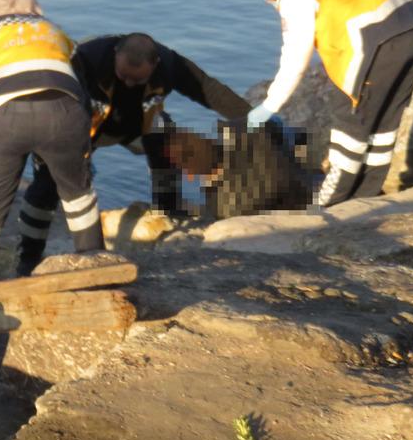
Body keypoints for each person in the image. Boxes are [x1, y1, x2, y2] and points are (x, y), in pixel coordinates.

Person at [16, 32, 251, 274]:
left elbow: (210, 90)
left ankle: (168, 209)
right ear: (115, 54)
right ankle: (28, 257)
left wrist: (254, 119)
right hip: (84, 126)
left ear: (155, 64)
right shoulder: (87, 59)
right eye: (123, 76)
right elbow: (55, 101)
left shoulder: (170, 64)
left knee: (168, 138)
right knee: (46, 185)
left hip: (135, 124)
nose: (128, 84)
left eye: (137, 80)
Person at [244, 0, 413, 207]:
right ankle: (365, 196)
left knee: (349, 113)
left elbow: (295, 57)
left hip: (380, 41)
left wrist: (270, 105)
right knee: (383, 120)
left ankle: (329, 202)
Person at [0, 0, 105, 284]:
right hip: (65, 114)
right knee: (79, 202)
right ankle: (97, 274)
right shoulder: (55, 31)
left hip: (5, 119)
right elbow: (83, 89)